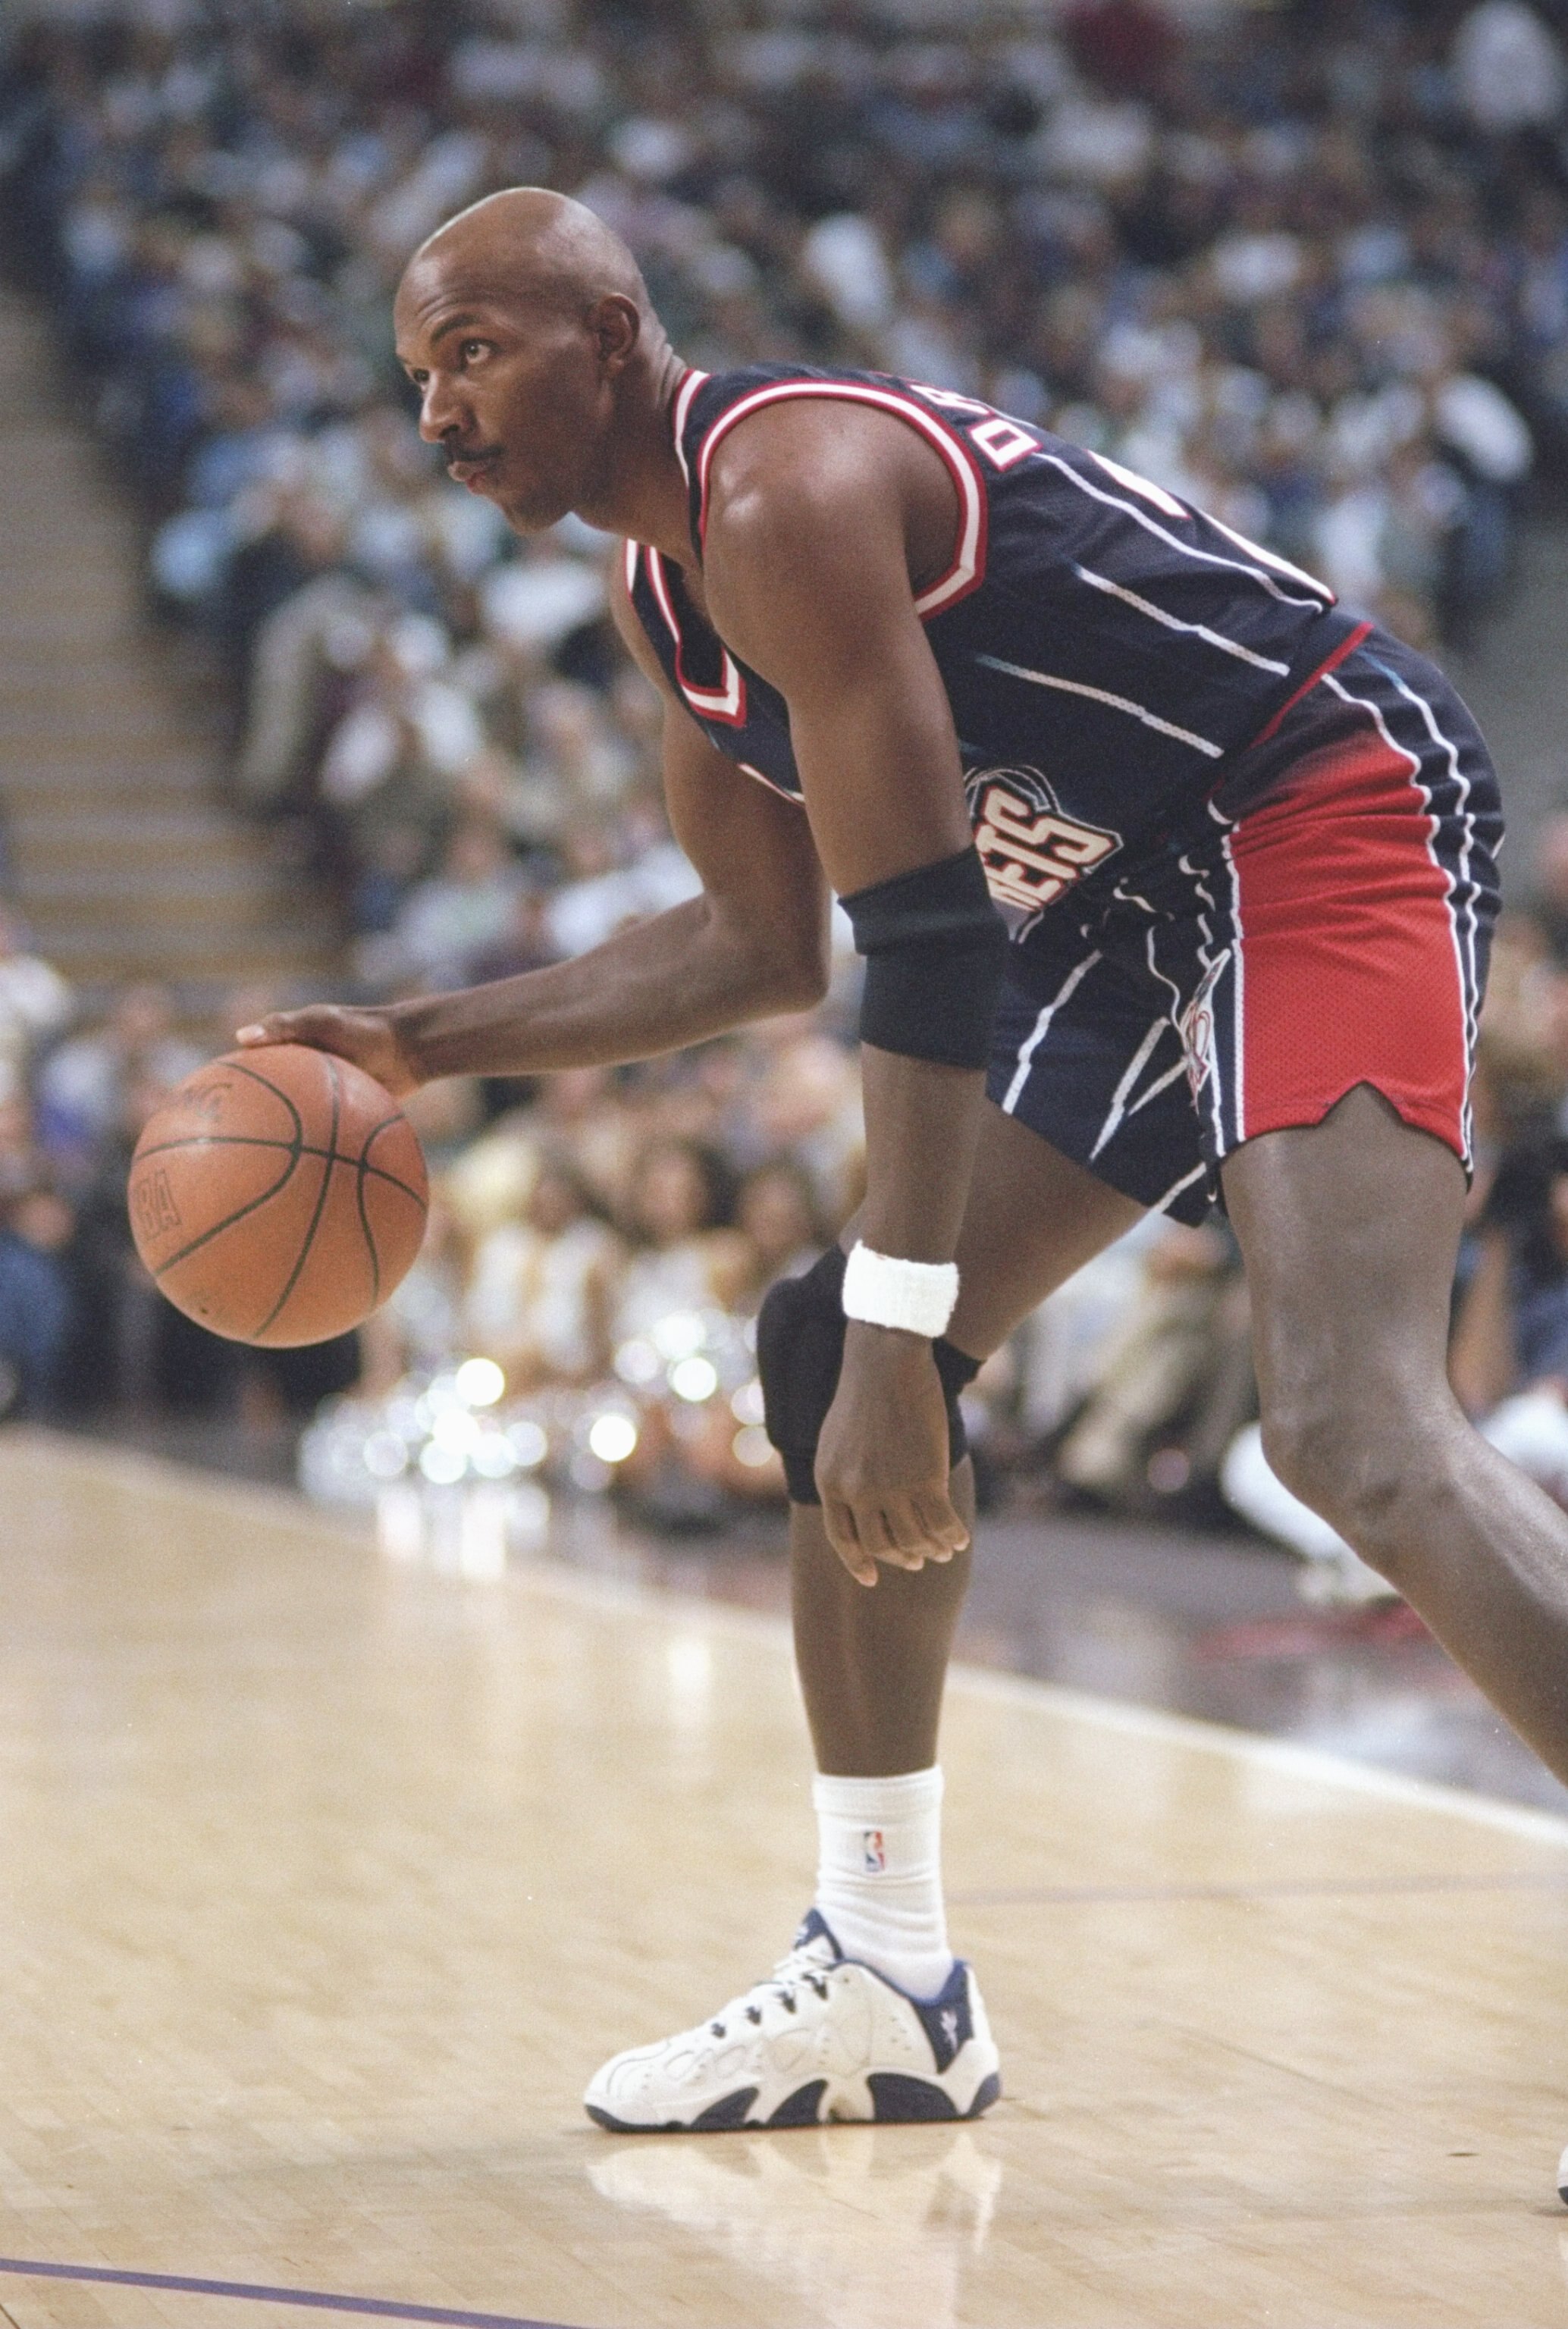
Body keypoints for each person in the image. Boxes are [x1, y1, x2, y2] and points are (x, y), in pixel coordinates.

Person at [240, 189, 1560, 2153]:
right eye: (416, 371)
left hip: (1316, 802)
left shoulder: (778, 493)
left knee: (1346, 1427)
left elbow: (927, 946)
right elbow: (758, 947)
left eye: (475, 351)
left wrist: (903, 1325)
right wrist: (421, 1044)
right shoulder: (668, 593)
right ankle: (887, 1974)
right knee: (819, 1355)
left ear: (612, 331)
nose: (436, 411)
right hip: (1134, 896)